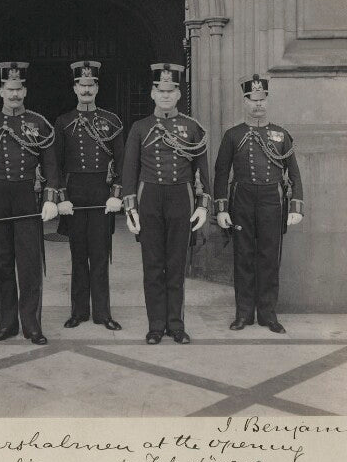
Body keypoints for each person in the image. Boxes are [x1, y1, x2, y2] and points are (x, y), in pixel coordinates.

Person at [0, 62, 60, 345]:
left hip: (26, 197)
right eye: (10, 89)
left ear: (25, 90)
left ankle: (32, 325)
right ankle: (6, 324)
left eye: (19, 89)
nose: (15, 94)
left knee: (30, 264)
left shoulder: (39, 123)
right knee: (2, 263)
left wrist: (50, 197)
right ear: (1, 90)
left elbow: (51, 165)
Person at [121, 63, 210, 345]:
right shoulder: (140, 128)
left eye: (171, 91)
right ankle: (155, 326)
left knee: (176, 264)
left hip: (180, 198)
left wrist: (203, 204)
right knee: (153, 265)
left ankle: (176, 325)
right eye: (161, 90)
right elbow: (129, 170)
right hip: (150, 199)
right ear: (152, 93)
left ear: (179, 94)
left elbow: (202, 168)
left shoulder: (192, 128)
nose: (166, 96)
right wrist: (130, 208)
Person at [213, 74, 304, 334]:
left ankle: (268, 314)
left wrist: (296, 206)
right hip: (241, 199)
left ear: (267, 100)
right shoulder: (233, 135)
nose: (258, 105)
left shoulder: (280, 134)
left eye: (262, 100)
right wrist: (221, 208)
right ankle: (243, 314)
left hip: (271, 201)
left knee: (269, 258)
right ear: (245, 101)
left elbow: (294, 173)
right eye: (253, 100)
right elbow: (221, 173)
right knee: (243, 257)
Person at [54, 60, 124, 331]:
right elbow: (56, 164)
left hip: (101, 194)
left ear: (97, 86)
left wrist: (116, 193)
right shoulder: (63, 122)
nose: (86, 89)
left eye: (90, 84)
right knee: (77, 255)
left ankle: (103, 314)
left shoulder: (111, 121)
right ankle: (78, 312)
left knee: (100, 255)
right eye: (81, 84)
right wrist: (62, 196)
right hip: (74, 195)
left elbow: (121, 160)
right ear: (74, 87)